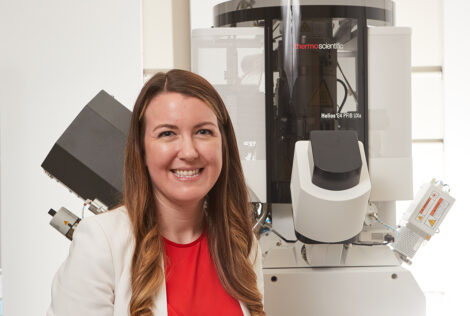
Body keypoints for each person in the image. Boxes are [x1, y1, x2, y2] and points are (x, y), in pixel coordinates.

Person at [47, 69, 265, 316]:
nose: (189, 152)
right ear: (141, 150)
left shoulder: (242, 246)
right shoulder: (101, 243)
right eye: (167, 134)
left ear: (224, 143)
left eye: (203, 131)